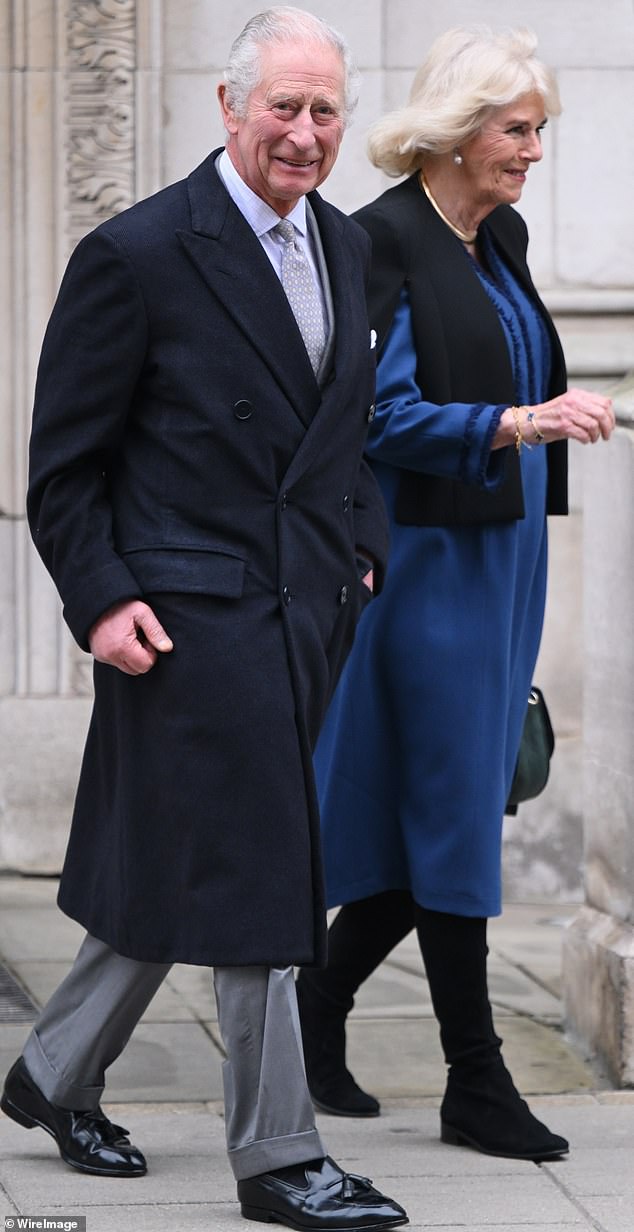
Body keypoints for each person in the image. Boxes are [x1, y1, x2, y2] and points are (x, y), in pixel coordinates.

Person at [0, 9, 409, 1230]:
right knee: (263, 866)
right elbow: (63, 466)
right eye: (281, 106)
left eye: (323, 110)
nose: (303, 130)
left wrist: (365, 549)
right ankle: (280, 1155)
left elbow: (350, 434)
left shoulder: (346, 246)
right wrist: (101, 597)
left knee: (188, 856)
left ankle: (52, 1073)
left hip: (308, 608)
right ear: (227, 109)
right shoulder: (136, 253)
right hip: (183, 618)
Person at [297, 26, 615, 1162]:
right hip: (424, 567)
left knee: (450, 806)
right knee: (451, 811)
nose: (532, 152)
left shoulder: (500, 234)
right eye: (515, 129)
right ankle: (475, 1080)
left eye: (538, 131)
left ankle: (313, 1009)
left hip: (502, 554)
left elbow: (513, 361)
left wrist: (544, 407)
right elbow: (378, 419)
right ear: (455, 129)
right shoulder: (381, 240)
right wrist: (523, 421)